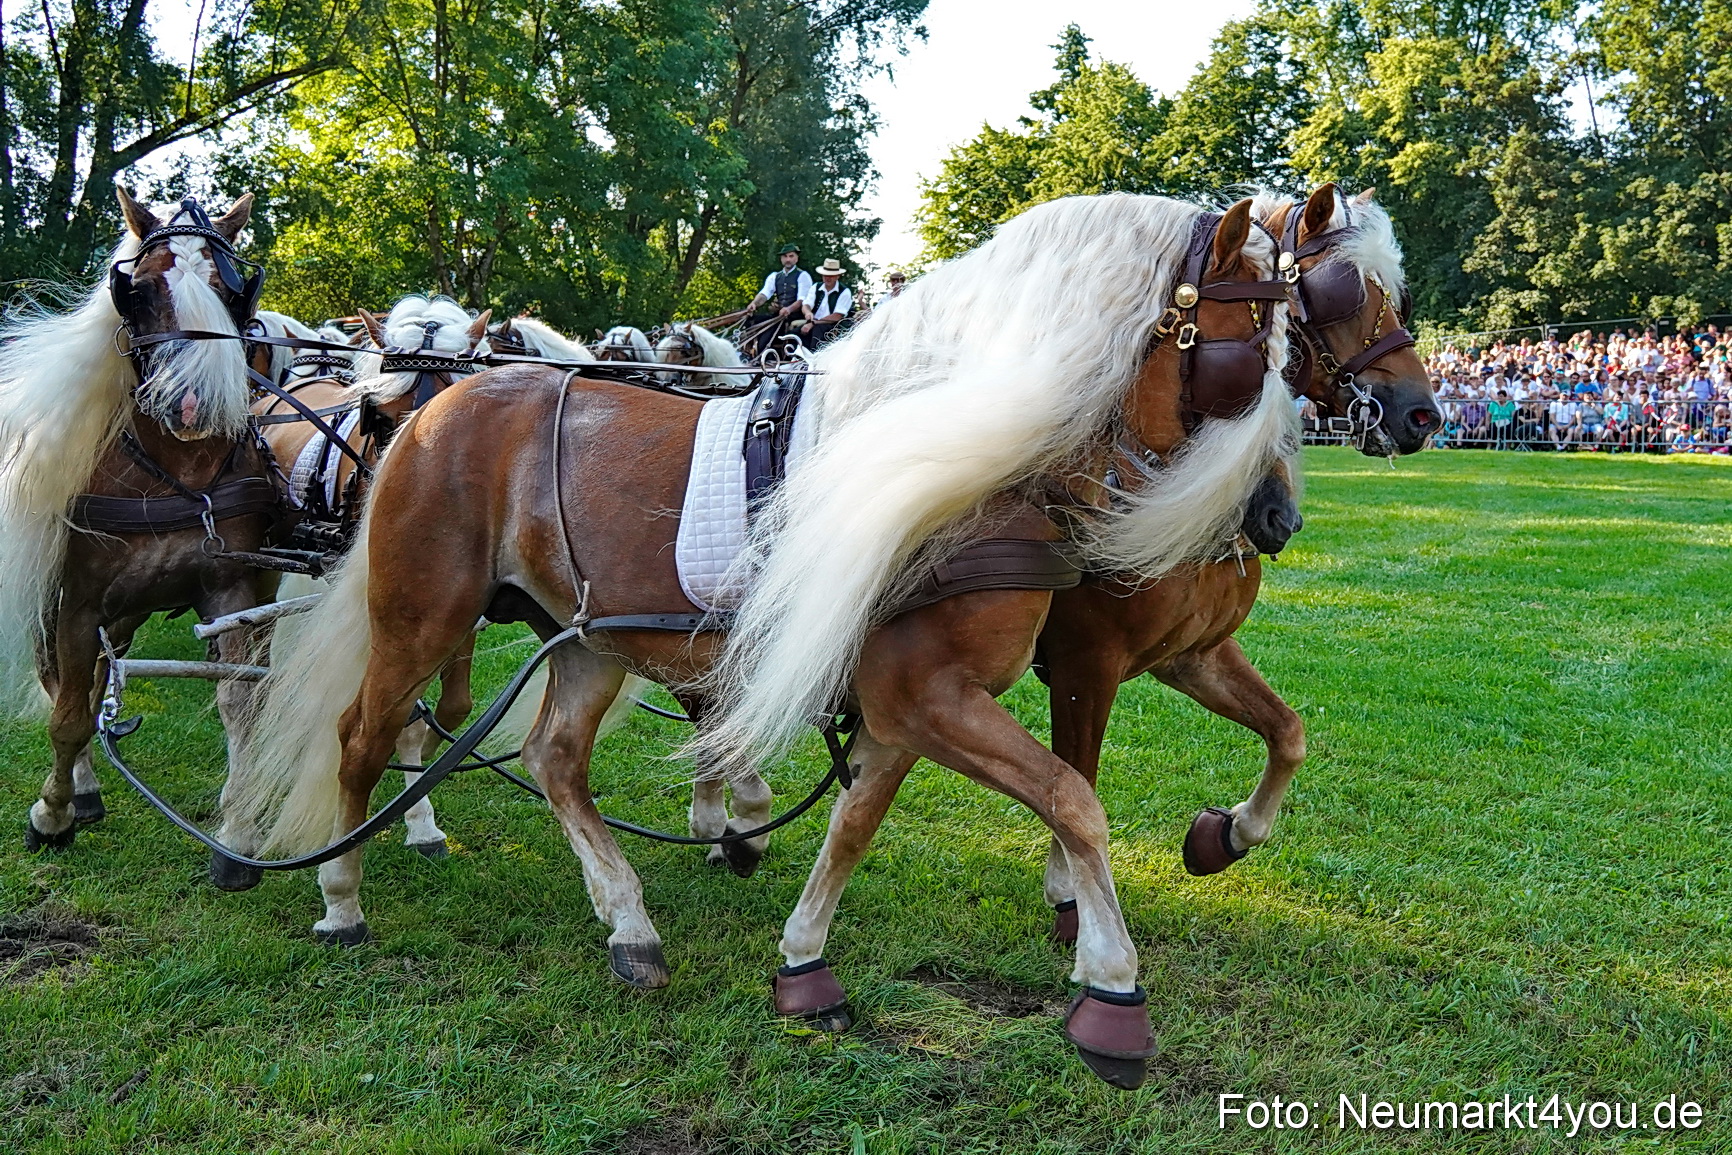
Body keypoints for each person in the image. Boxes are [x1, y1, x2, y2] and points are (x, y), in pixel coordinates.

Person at [742, 243, 813, 356]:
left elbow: (802, 300)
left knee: (769, 332)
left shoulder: (803, 276)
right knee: (751, 320)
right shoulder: (775, 276)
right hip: (778, 316)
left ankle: (765, 356)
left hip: (794, 316)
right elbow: (765, 294)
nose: (788, 259)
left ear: (796, 258)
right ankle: (747, 350)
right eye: (785, 257)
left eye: (791, 256)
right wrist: (754, 304)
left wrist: (789, 309)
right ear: (781, 259)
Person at [796, 258, 853, 347]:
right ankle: (791, 358)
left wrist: (813, 323)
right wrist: (808, 312)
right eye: (825, 275)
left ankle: (813, 358)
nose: (827, 278)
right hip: (814, 323)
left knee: (817, 331)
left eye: (831, 275)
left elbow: (837, 316)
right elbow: (806, 304)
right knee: (793, 334)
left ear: (837, 276)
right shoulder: (816, 287)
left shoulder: (844, 292)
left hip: (833, 326)